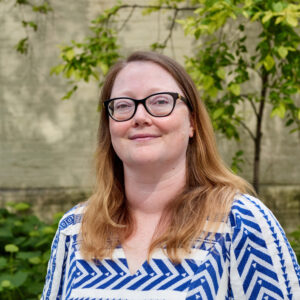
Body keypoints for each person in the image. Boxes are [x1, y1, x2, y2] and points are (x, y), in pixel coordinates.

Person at [42, 51, 300, 300]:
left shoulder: (240, 221)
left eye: (160, 101)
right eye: (122, 105)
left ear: (192, 122)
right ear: (109, 126)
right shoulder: (76, 229)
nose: (140, 116)